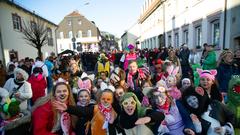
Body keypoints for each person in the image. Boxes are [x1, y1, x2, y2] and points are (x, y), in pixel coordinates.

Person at [53, 84, 117, 135]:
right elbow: (83, 111)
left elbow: (112, 127)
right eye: (103, 99)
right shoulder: (95, 108)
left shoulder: (113, 111)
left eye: (108, 99)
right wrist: (68, 108)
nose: (105, 101)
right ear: (100, 99)